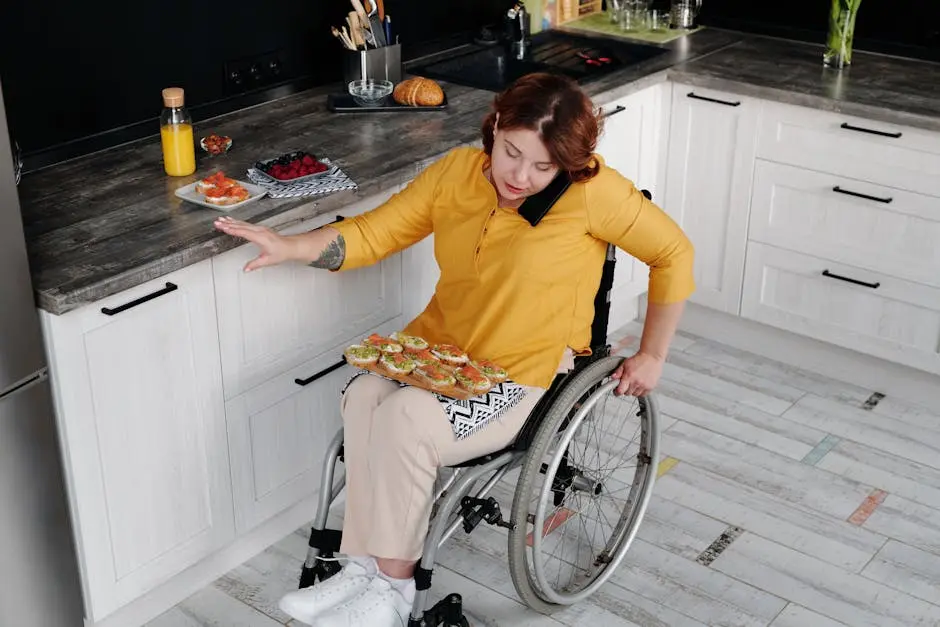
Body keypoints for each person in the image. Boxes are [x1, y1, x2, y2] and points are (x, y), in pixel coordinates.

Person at [213, 72, 695, 627]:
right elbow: (376, 232)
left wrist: (653, 353)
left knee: (408, 420)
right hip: (441, 351)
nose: (519, 177)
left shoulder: (594, 195)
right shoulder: (455, 175)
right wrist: (290, 246)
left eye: (543, 167)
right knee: (364, 393)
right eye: (511, 152)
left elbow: (674, 254)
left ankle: (393, 591)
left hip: (524, 371)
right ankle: (362, 569)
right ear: (494, 127)